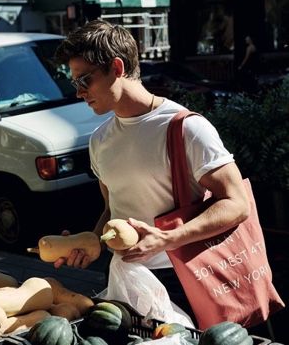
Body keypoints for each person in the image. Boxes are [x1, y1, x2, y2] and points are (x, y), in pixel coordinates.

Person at [54, 19, 250, 318]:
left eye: (84, 80)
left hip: (182, 280)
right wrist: (91, 241)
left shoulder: (186, 127)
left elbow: (237, 203)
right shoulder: (99, 140)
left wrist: (169, 238)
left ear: (117, 68)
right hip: (124, 278)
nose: (79, 93)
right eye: (75, 83)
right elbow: (113, 208)